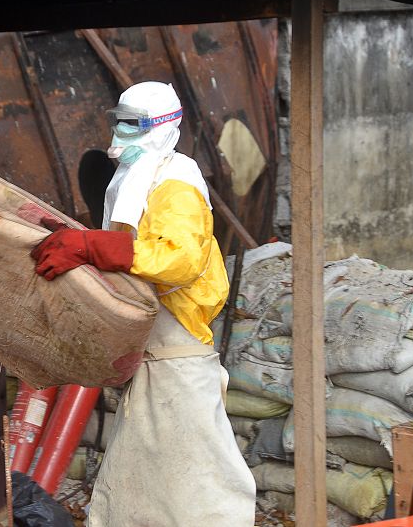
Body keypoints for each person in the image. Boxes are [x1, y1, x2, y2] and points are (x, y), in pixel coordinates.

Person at [31, 81, 255, 526]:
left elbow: (179, 259)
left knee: (203, 485)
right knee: (140, 488)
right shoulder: (138, 181)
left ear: (162, 127)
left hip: (177, 361)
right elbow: (130, 257)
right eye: (119, 122)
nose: (121, 133)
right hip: (152, 361)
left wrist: (92, 247)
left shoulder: (176, 184)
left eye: (133, 124)